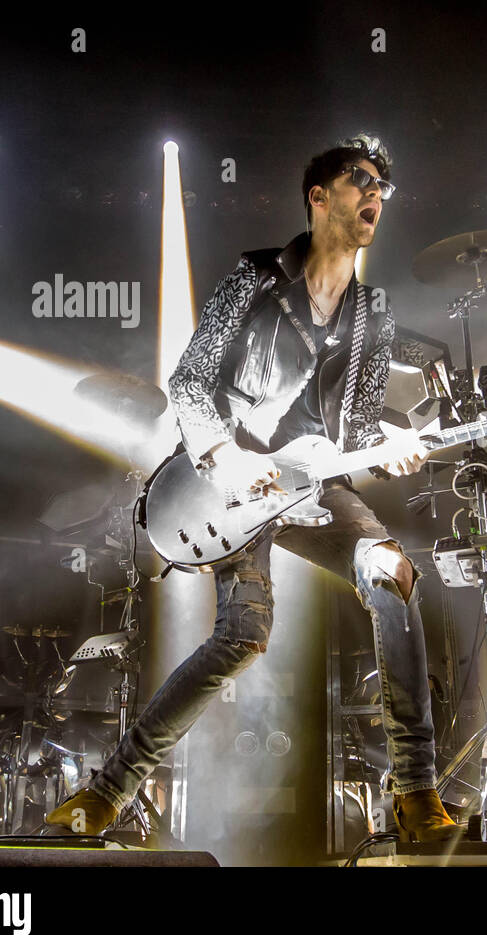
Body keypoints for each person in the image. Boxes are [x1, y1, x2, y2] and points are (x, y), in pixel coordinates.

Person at [47, 134, 463, 843]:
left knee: (391, 570)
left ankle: (415, 788)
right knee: (241, 637)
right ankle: (108, 791)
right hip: (233, 482)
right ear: (319, 196)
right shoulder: (256, 276)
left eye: (382, 189)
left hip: (312, 485)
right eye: (359, 180)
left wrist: (389, 447)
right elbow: (188, 383)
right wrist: (225, 456)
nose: (374, 195)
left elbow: (357, 431)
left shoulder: (376, 313)